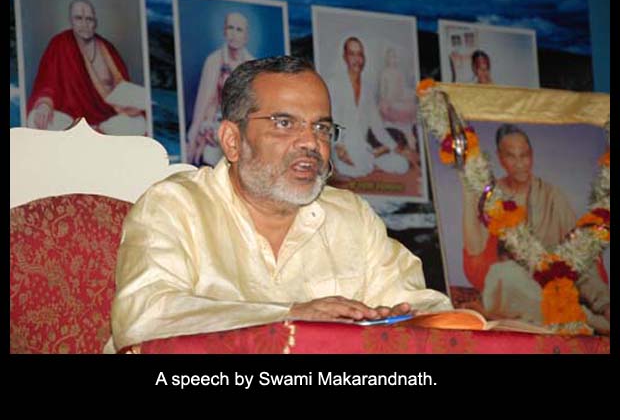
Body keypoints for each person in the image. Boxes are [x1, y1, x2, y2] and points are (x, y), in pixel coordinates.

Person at [106, 56, 452, 353]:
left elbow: (423, 305)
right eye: (285, 123)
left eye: (321, 127)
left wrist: (411, 320)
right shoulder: (173, 206)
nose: (310, 142)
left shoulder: (352, 217)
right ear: (232, 140)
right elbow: (143, 317)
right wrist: (289, 316)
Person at [461, 124, 610, 332]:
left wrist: (601, 298)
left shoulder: (551, 195)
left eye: (525, 155)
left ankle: (603, 311)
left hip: (555, 274)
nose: (520, 163)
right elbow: (475, 250)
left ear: (532, 155)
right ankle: (590, 322)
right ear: (500, 158)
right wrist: (469, 191)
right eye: (511, 156)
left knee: (580, 265)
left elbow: (578, 247)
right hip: (515, 282)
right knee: (505, 274)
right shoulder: (492, 196)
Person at [26, 0, 146, 135]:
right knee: (35, 118)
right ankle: (91, 135)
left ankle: (95, 132)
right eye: (79, 18)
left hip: (106, 117)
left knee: (140, 123)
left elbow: (123, 87)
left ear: (95, 22)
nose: (85, 24)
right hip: (70, 118)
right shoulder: (59, 44)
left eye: (89, 19)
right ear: (71, 21)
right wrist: (44, 105)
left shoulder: (107, 48)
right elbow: (47, 83)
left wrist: (130, 106)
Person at [326, 37, 412, 179]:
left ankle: (373, 159)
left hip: (363, 149)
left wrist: (395, 147)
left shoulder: (367, 88)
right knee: (354, 167)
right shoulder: (334, 84)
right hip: (340, 148)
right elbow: (331, 121)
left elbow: (377, 127)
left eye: (360, 54)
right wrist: (339, 147)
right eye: (352, 54)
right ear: (345, 57)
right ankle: (371, 160)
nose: (357, 59)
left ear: (364, 58)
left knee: (402, 164)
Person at [186, 12, 255, 166]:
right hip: (215, 126)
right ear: (224, 31)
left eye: (239, 29)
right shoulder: (213, 60)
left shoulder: (253, 64)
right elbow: (203, 103)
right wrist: (195, 133)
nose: (234, 34)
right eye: (230, 28)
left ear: (246, 36)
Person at [377, 47, 418, 152]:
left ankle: (410, 138)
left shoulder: (399, 72)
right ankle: (407, 136)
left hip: (399, 98)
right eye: (391, 57)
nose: (393, 59)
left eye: (395, 57)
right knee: (390, 107)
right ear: (387, 59)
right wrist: (388, 98)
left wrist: (405, 94)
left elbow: (403, 87)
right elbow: (382, 91)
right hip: (389, 100)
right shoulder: (384, 73)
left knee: (411, 100)